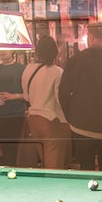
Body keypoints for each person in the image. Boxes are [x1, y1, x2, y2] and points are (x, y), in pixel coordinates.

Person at [58, 22, 102, 171]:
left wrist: (71, 117)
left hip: (81, 125)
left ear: (92, 37)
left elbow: (63, 91)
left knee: (85, 167)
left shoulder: (77, 59)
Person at [21, 35, 71, 169]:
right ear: (55, 52)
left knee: (44, 162)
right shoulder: (57, 72)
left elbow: (26, 97)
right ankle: (54, 189)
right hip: (52, 121)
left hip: (33, 120)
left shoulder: (28, 69)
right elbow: (60, 99)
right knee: (54, 166)